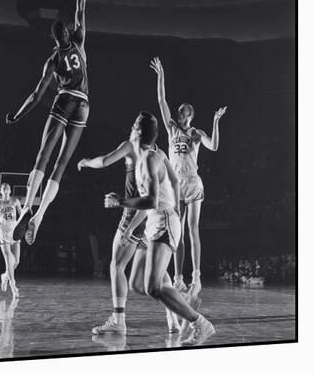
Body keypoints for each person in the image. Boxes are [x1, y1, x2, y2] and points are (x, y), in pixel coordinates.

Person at [6, 0, 97, 245]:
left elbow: (36, 95)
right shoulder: (80, 41)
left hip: (63, 101)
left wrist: (17, 115)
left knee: (42, 157)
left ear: (53, 39)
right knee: (61, 164)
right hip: (84, 105)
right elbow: (81, 7)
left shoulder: (53, 60)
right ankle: (40, 214)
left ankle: (26, 209)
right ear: (68, 33)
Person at [104, 111, 215, 346]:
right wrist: (130, 229)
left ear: (137, 133)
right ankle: (184, 299)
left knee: (153, 287)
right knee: (137, 284)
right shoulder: (155, 155)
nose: (130, 129)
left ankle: (200, 323)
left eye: (133, 126)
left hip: (163, 221)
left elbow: (152, 202)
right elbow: (173, 183)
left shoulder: (148, 160)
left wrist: (121, 202)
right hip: (154, 222)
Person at [78, 137, 180, 335]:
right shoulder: (159, 152)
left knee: (116, 266)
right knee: (159, 272)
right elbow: (174, 181)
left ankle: (119, 320)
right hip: (152, 216)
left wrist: (86, 162)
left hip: (135, 212)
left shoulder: (131, 146)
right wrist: (175, 210)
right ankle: (173, 316)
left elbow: (105, 161)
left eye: (135, 126)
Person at [150, 57, 227, 296]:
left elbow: (213, 146)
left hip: (193, 184)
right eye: (179, 112)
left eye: (183, 113)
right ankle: (179, 278)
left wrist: (215, 122)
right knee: (178, 231)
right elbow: (162, 100)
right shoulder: (172, 128)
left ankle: (196, 277)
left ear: (189, 116)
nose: (179, 115)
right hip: (176, 186)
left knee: (193, 229)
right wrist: (161, 76)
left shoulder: (196, 134)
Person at [0, 183, 22, 297]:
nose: (6, 190)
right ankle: (13, 285)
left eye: (8, 188)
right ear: (1, 191)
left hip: (14, 233)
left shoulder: (15, 201)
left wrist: (24, 227)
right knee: (9, 261)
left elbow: (22, 216)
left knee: (16, 261)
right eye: (4, 189)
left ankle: (5, 276)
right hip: (3, 233)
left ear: (10, 191)